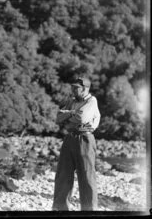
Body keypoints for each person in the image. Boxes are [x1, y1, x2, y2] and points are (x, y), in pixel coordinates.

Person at [52, 77, 101, 211]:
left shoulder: (92, 101)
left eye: (76, 87)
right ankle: (59, 208)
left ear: (85, 88)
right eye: (72, 87)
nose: (73, 89)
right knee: (63, 174)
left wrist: (68, 114)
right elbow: (58, 118)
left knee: (86, 176)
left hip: (85, 138)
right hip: (70, 138)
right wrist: (73, 113)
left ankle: (89, 210)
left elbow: (82, 118)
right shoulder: (71, 101)